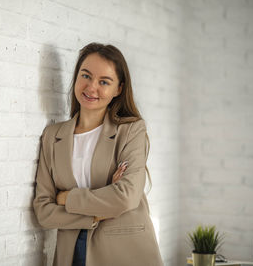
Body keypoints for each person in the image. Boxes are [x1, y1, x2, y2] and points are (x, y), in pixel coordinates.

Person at [33, 43, 163, 266]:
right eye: (86, 75)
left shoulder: (131, 130)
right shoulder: (52, 136)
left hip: (126, 252)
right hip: (71, 252)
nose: (91, 87)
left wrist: (67, 198)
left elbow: (125, 197)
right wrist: (97, 213)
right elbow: (44, 211)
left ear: (118, 89)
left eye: (104, 81)